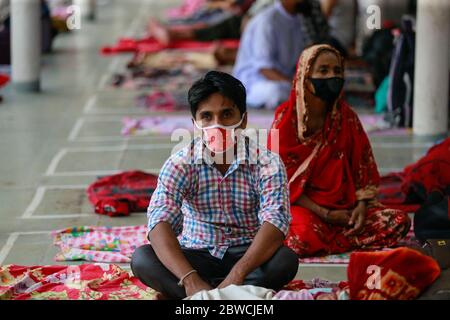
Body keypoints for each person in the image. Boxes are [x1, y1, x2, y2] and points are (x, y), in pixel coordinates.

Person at [131, 71, 298, 300]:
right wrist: (189, 278)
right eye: (207, 116)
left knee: (285, 260)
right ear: (195, 123)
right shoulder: (180, 163)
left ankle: (200, 297)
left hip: (247, 255)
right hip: (196, 255)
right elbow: (159, 220)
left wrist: (237, 274)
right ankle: (224, 294)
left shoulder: (267, 162)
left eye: (227, 114)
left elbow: (275, 222)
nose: (216, 125)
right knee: (142, 258)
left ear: (244, 119)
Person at [268, 44, 411, 257]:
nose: (332, 76)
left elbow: (364, 169)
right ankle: (340, 239)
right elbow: (280, 185)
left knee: (398, 221)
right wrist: (325, 213)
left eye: (337, 71)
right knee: (301, 236)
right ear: (305, 77)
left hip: (345, 210)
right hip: (305, 208)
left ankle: (333, 239)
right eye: (323, 71)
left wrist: (361, 208)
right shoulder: (286, 123)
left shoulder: (347, 118)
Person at [232, 0, 330, 109]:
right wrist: (296, 85)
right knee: (277, 92)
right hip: (255, 83)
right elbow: (264, 69)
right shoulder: (267, 21)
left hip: (284, 81)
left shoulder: (299, 20)